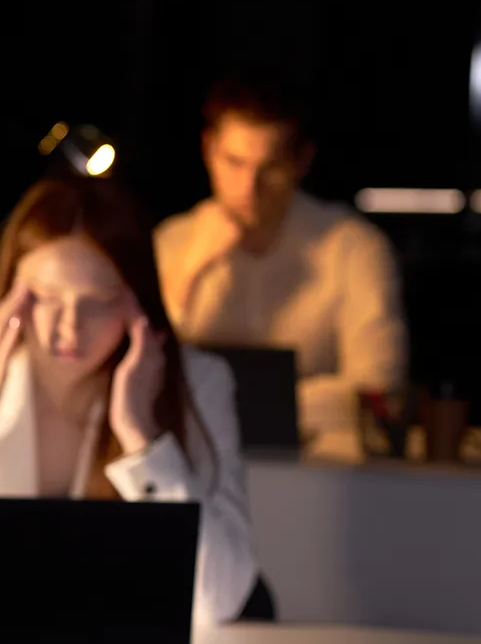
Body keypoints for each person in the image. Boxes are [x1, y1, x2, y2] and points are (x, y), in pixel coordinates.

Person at [0, 174, 261, 625]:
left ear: (137, 301)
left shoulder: (197, 383)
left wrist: (142, 440)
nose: (68, 327)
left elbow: (220, 599)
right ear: (10, 293)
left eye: (98, 301)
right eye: (46, 298)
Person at [153, 73, 407, 440]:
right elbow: (143, 380)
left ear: (301, 162)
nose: (248, 187)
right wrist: (189, 270)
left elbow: (380, 390)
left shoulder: (352, 247)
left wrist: (241, 406)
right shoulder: (171, 243)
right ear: (208, 149)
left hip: (317, 475)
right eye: (234, 162)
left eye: (269, 168)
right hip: (198, 465)